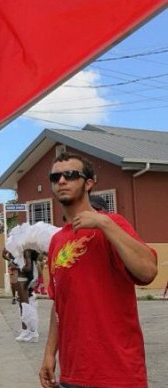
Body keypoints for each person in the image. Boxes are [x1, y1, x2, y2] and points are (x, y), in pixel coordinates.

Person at [39, 152, 157, 388]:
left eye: (71, 175)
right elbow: (59, 304)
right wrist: (49, 354)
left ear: (89, 183)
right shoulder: (56, 241)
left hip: (116, 374)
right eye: (55, 177)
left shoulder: (112, 224)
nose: (61, 181)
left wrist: (104, 223)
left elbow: (147, 271)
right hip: (72, 373)